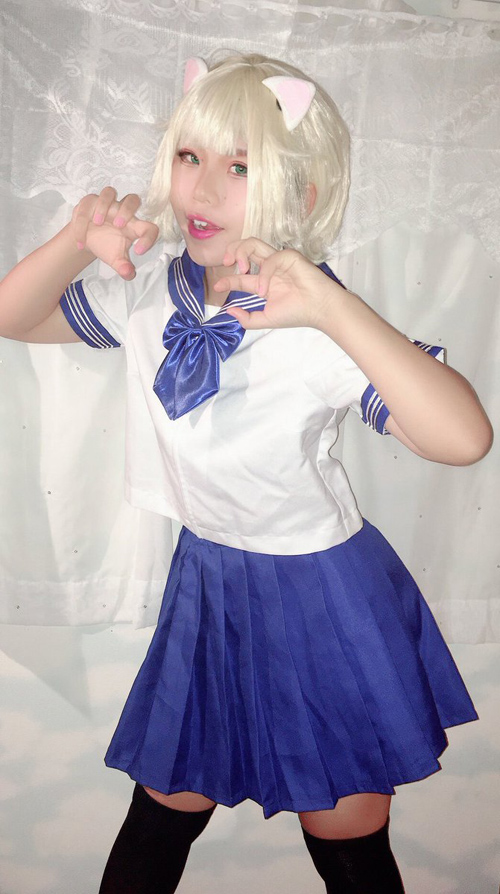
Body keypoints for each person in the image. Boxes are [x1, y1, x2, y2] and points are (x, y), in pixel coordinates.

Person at [0, 53, 493, 894]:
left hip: (323, 598)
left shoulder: (316, 321)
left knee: (345, 836)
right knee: (159, 814)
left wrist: (332, 307)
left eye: (241, 167)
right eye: (189, 156)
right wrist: (77, 239)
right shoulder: (151, 295)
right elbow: (16, 315)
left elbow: (464, 439)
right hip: (209, 588)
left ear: (302, 193)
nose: (202, 188)